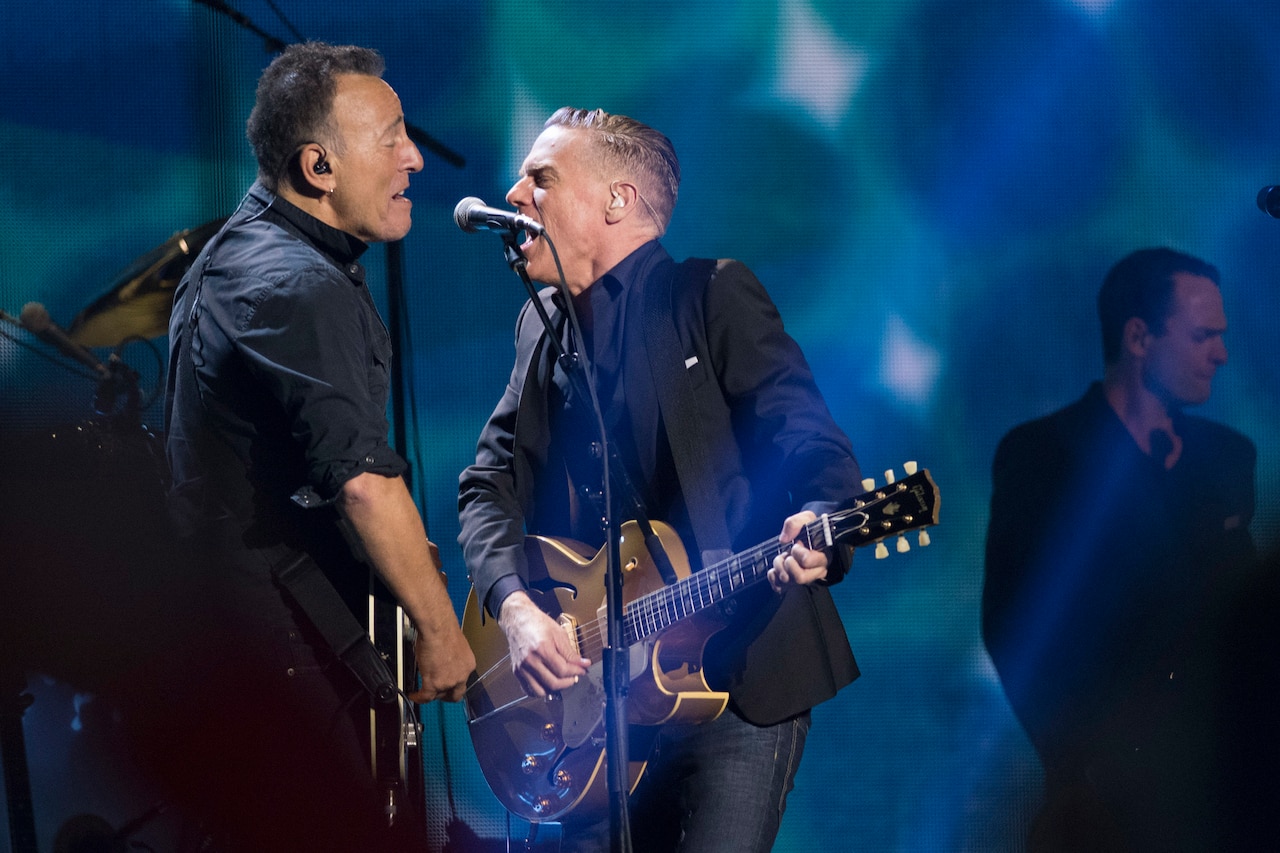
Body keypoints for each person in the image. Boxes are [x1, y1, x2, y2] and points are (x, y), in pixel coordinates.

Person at [457, 107, 863, 852]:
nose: (514, 195)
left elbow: (805, 435)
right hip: (597, 705)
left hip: (734, 678)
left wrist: (819, 515)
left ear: (617, 200)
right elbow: (487, 483)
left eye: (541, 178)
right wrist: (515, 608)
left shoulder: (711, 295)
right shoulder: (538, 326)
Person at [156, 42, 474, 851]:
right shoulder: (296, 284)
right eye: (393, 137)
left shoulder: (233, 256)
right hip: (284, 654)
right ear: (318, 166)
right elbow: (363, 482)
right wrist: (441, 633)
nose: (414, 158)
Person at [982, 248, 1259, 851]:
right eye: (1202, 335)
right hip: (1100, 790)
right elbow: (1013, 624)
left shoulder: (1230, 458)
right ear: (1139, 337)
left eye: (1222, 336)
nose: (1222, 353)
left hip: (1219, 780)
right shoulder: (1041, 455)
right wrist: (1086, 758)